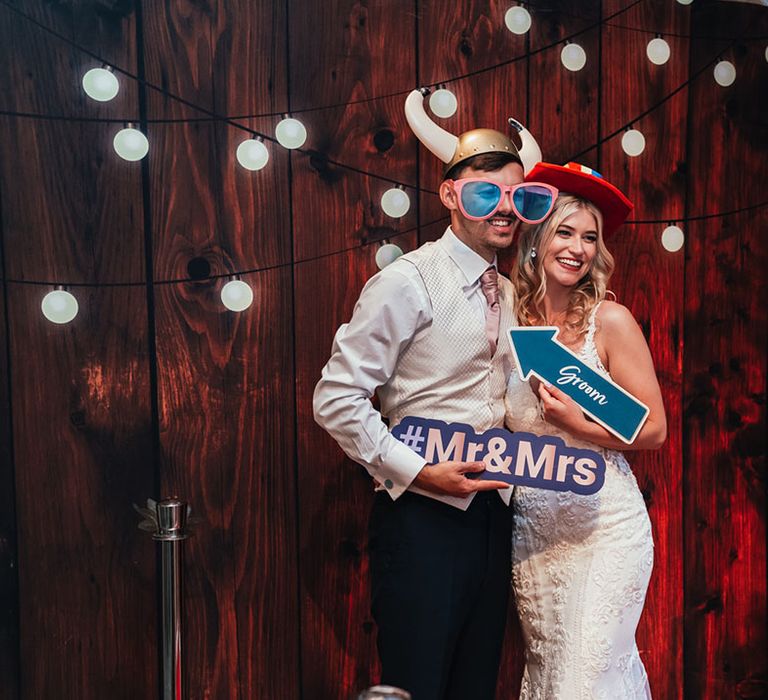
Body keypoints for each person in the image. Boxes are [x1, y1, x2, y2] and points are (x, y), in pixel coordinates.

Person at [313, 88, 551, 700]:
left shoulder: (510, 289)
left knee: (475, 686)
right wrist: (419, 474)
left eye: (516, 197)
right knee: (416, 686)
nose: (502, 210)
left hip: (495, 521)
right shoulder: (405, 281)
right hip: (421, 521)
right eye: (482, 193)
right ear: (450, 195)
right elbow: (337, 398)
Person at [504, 162, 667, 699]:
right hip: (534, 533)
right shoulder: (506, 320)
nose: (577, 247)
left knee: (584, 679)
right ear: (536, 239)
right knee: (550, 677)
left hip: (603, 528)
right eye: (564, 232)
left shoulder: (609, 321)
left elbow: (654, 429)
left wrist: (580, 423)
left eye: (590, 237)